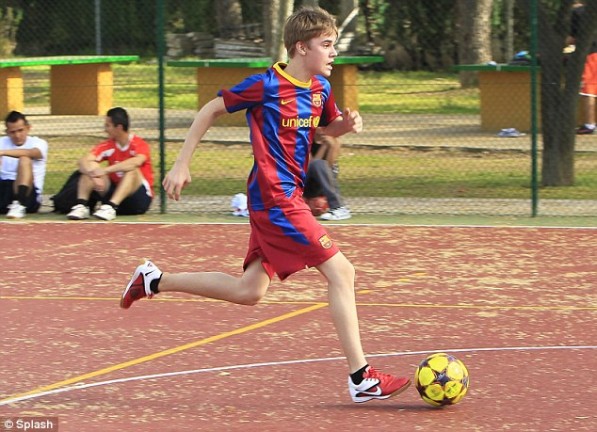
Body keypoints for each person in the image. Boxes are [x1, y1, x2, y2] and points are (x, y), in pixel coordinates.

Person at [120, 6, 410, 403]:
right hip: (275, 200)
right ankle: (362, 378)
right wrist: (182, 163)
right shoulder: (266, 85)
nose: (333, 53)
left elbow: (326, 126)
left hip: (286, 198)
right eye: (327, 45)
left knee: (249, 291)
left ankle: (154, 280)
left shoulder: (321, 90)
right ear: (300, 47)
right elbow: (210, 109)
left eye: (334, 45)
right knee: (342, 272)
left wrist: (346, 126)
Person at [66, 107, 154, 221]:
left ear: (119, 127)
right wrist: (93, 174)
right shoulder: (107, 145)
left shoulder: (139, 144)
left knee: (132, 170)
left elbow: (136, 162)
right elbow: (83, 161)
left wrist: (105, 170)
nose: (105, 130)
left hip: (137, 200)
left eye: (108, 126)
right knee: (91, 166)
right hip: (113, 194)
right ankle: (82, 206)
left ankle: (111, 207)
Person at [0, 111, 48, 219]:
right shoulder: (1, 142)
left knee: (25, 159)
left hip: (28, 192)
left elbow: (33, 153)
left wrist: (3, 152)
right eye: (12, 132)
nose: (17, 135)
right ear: (7, 132)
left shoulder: (39, 143)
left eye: (20, 130)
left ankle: (19, 203)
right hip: (4, 188)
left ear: (28, 128)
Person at [303, 128, 351, 220]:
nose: (322, 130)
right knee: (317, 164)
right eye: (320, 126)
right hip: (307, 182)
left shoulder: (335, 141)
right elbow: (311, 166)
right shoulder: (306, 140)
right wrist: (324, 146)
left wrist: (332, 147)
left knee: (329, 168)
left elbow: (327, 167)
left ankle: (338, 207)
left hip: (323, 184)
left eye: (326, 127)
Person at [569, 2, 597, 134]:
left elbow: (572, 38)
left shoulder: (578, 12)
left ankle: (589, 125)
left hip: (591, 53)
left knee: (588, 89)